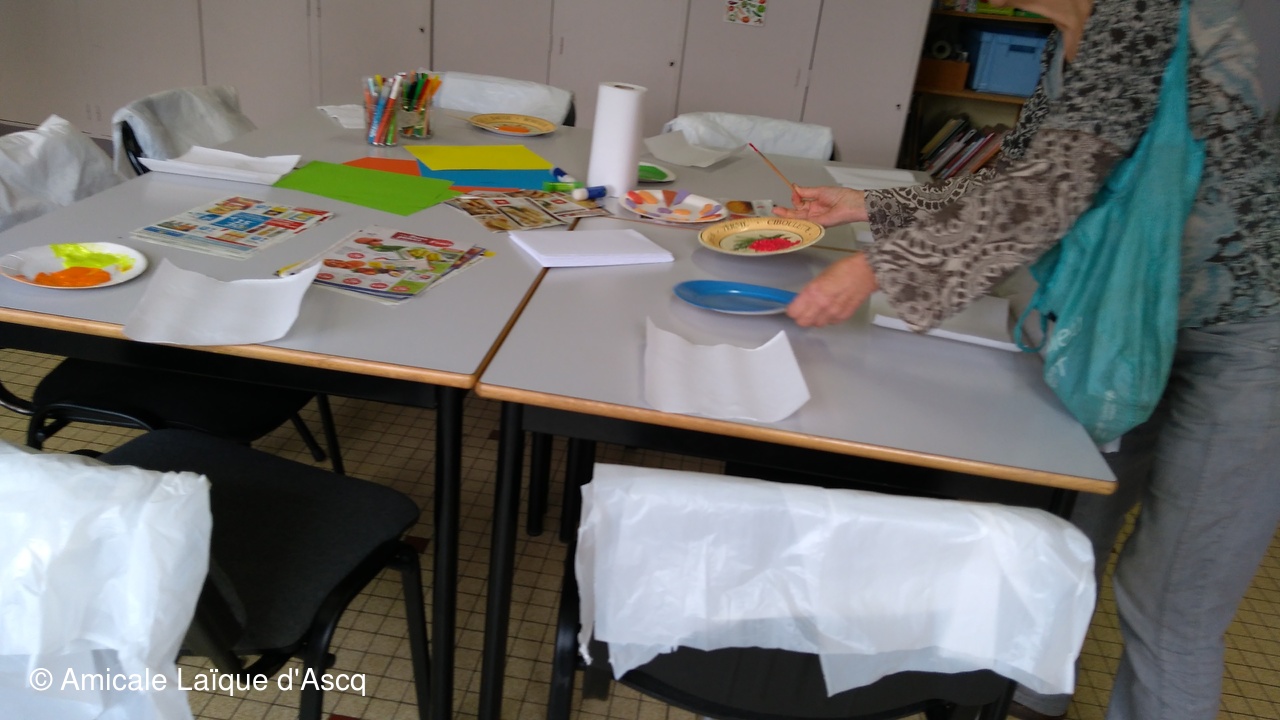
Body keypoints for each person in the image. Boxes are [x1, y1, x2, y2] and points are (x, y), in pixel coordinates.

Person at [774, 1, 1280, 719]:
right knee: (1068, 533)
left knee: (1171, 602)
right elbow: (1019, 178)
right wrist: (868, 205)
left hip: (1249, 335)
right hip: (1123, 318)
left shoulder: (1142, 11)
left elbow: (1052, 191)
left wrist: (878, 268)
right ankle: (1029, 699)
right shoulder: (1060, 44)